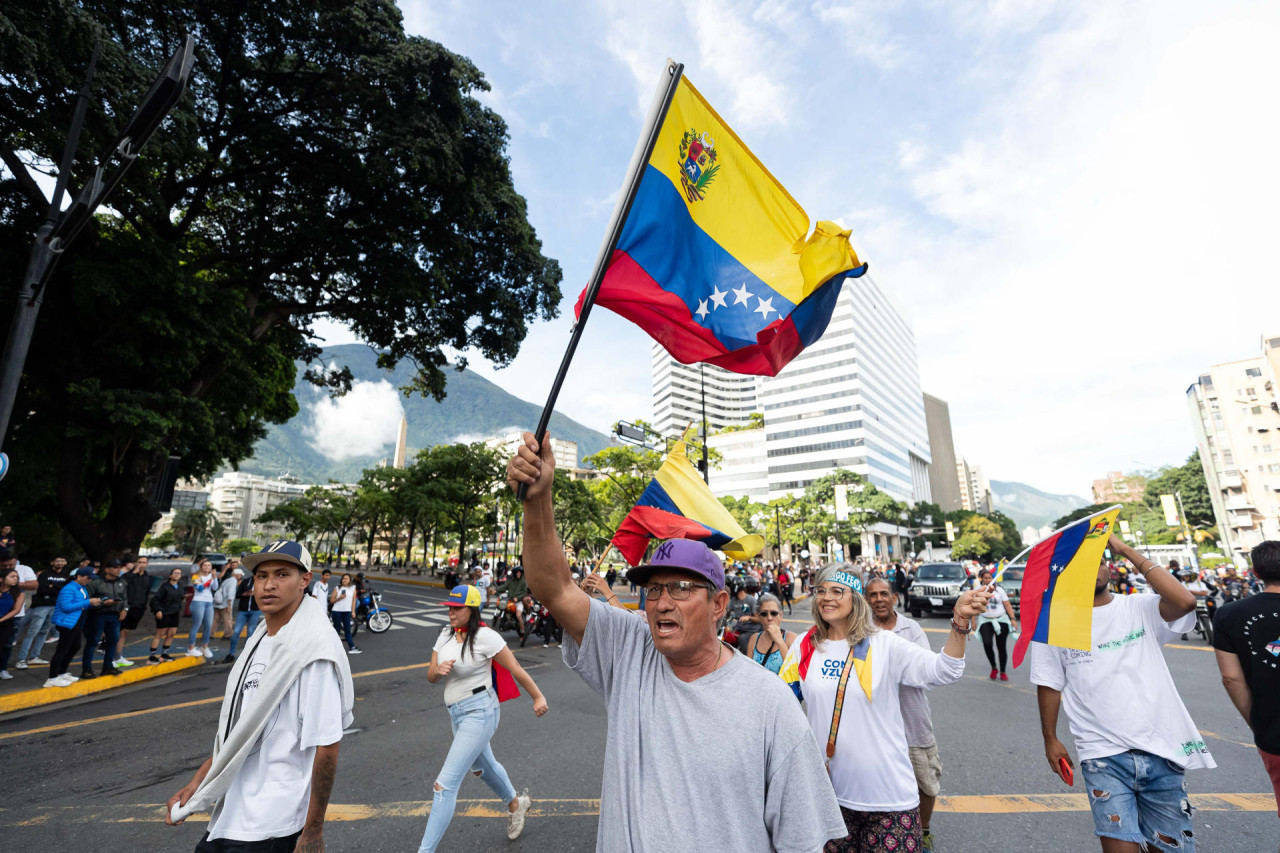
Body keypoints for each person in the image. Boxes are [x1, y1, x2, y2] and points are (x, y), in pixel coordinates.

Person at [508, 433, 847, 852]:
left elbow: (802, 842)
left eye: (682, 588)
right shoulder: (631, 649)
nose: (662, 603)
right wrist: (537, 500)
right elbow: (555, 589)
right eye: (653, 590)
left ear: (719, 603)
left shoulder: (770, 703)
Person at [165, 539, 354, 852]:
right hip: (231, 812)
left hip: (271, 823)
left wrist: (313, 831)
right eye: (262, 575)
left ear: (305, 580)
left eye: (282, 575)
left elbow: (327, 747)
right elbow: (242, 729)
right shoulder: (260, 638)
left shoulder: (313, 652)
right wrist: (197, 783)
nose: (269, 585)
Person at [782, 566, 987, 853]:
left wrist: (960, 620)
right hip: (829, 798)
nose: (827, 598)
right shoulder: (805, 646)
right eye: (821, 591)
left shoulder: (884, 644)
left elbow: (945, 670)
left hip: (888, 799)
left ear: (854, 598)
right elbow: (781, 708)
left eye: (837, 591)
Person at [1033, 535, 1212, 853]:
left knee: (1170, 848)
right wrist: (1050, 738)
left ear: (1110, 568)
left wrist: (1128, 550)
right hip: (1102, 756)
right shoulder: (1055, 624)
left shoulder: (1140, 607)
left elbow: (1184, 602)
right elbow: (1048, 683)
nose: (1091, 570)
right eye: (1080, 566)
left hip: (1163, 751)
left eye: (1098, 562)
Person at [419, 584, 547, 852]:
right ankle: (515, 804)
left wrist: (537, 697)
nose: (451, 613)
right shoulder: (444, 634)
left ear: (472, 609)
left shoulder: (486, 637)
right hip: (456, 713)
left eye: (457, 608)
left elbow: (516, 669)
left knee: (444, 786)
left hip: (480, 712)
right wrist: (438, 671)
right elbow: (430, 675)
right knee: (482, 767)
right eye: (449, 608)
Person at [864, 576, 945, 852]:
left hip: (913, 719)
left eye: (883, 594)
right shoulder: (862, 631)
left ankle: (923, 832)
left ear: (894, 597)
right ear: (866, 600)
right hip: (877, 724)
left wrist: (896, 666)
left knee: (926, 783)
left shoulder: (911, 628)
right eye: (873, 595)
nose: (879, 600)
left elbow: (925, 670)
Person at [1212, 540, 1280, 817]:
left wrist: (1257, 720)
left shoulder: (1229, 614)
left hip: (1274, 731)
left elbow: (1232, 678)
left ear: (1255, 573)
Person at [46, 567, 102, 686]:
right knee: (62, 649)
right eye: (88, 578)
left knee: (75, 646)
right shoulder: (69, 589)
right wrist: (88, 602)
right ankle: (52, 677)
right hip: (66, 622)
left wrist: (94, 603)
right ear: (79, 576)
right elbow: (66, 607)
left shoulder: (81, 588)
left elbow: (81, 605)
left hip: (75, 621)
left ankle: (61, 673)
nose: (89, 580)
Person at [15, 555, 69, 669]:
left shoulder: (66, 575)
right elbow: (42, 589)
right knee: (32, 633)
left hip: (55, 606)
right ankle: (21, 659)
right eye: (57, 561)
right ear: (52, 562)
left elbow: (66, 590)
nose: (59, 563)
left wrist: (52, 586)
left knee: (44, 632)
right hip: (42, 606)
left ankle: (34, 657)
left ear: (65, 562)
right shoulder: (45, 574)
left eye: (62, 561)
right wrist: (57, 588)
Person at [82, 560, 129, 678]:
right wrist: (103, 603)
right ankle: (86, 669)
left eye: (119, 567)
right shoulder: (96, 583)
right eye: (115, 567)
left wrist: (125, 609)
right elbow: (87, 599)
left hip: (115, 615)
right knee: (93, 641)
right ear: (107, 569)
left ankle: (108, 667)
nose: (118, 570)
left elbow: (125, 598)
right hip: (98, 615)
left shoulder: (122, 582)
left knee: (113, 640)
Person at [974, 567, 1020, 681]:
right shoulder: (978, 590)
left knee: (1001, 646)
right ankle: (994, 667)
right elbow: (974, 606)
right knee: (987, 643)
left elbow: (1007, 605)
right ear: (982, 579)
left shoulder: (1000, 590)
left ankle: (1003, 671)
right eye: (985, 578)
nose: (988, 580)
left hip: (1001, 620)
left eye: (990, 578)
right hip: (985, 620)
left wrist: (1013, 619)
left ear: (993, 579)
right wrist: (973, 620)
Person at [746, 593, 796, 675]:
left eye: (774, 613)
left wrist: (779, 641)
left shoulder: (791, 638)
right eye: (764, 614)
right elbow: (748, 671)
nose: (769, 618)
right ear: (759, 617)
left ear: (780, 615)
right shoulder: (754, 639)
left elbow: (794, 672)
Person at [117, 555, 151, 669]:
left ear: (147, 564)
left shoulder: (146, 576)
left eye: (144, 562)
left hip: (139, 608)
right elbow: (123, 587)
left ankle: (118, 656)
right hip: (127, 608)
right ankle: (115, 657)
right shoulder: (128, 576)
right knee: (119, 633)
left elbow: (146, 592)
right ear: (136, 563)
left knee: (125, 633)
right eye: (139, 562)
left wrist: (143, 606)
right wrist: (134, 572)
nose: (142, 564)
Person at [225, 567, 263, 663]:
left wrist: (257, 594)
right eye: (255, 574)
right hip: (243, 611)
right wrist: (245, 594)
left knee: (250, 633)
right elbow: (237, 595)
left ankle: (246, 656)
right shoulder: (245, 582)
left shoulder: (263, 583)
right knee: (236, 632)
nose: (257, 576)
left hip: (255, 611)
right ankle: (231, 653)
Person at [149, 567, 185, 663]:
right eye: (175, 573)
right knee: (159, 634)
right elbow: (155, 599)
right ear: (170, 575)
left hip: (175, 613)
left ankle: (164, 654)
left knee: (171, 634)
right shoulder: (165, 587)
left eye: (179, 573)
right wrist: (158, 610)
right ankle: (152, 656)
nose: (177, 575)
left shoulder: (180, 586)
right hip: (164, 613)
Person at [188, 559, 219, 659]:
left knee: (208, 625)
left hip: (209, 602)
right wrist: (211, 579)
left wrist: (214, 578)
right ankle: (191, 648)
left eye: (209, 565)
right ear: (201, 567)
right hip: (198, 601)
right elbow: (199, 588)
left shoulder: (212, 576)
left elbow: (215, 588)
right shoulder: (196, 576)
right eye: (205, 565)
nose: (207, 567)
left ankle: (204, 647)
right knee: (196, 625)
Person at [0, 566, 25, 679]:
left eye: (16, 577)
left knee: (5, 646)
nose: (15, 579)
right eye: (12, 576)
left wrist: (1, 620)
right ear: (2, 579)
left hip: (6, 622)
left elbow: (16, 610)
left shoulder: (18, 592)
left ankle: (2, 669)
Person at [328, 573, 361, 654]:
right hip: (337, 611)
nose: (344, 580)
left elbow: (353, 601)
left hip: (347, 611)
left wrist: (353, 611)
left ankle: (352, 647)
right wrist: (340, 598)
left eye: (346, 578)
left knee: (347, 630)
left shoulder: (353, 588)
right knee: (337, 630)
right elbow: (332, 600)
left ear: (349, 580)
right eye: (343, 578)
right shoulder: (337, 588)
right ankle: (333, 648)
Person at [211, 564, 238, 643]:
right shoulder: (234, 581)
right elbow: (231, 592)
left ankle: (210, 634)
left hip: (218, 603)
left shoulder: (227, 580)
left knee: (215, 620)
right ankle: (227, 635)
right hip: (225, 604)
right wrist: (229, 604)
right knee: (228, 620)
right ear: (237, 575)